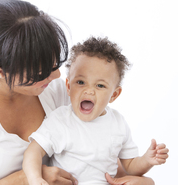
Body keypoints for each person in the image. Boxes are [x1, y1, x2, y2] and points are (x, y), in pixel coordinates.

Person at [0, 0, 157, 184]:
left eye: (55, 65)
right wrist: (23, 179)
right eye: (42, 73)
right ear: (0, 71)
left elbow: (99, 160)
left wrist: (138, 179)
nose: (57, 77)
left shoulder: (57, 92)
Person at [22, 36, 169, 185]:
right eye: (80, 82)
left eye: (100, 86)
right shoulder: (60, 120)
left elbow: (130, 166)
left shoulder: (118, 123)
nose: (89, 91)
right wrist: (35, 179)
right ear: (68, 86)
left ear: (114, 94)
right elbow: (32, 152)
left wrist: (147, 160)